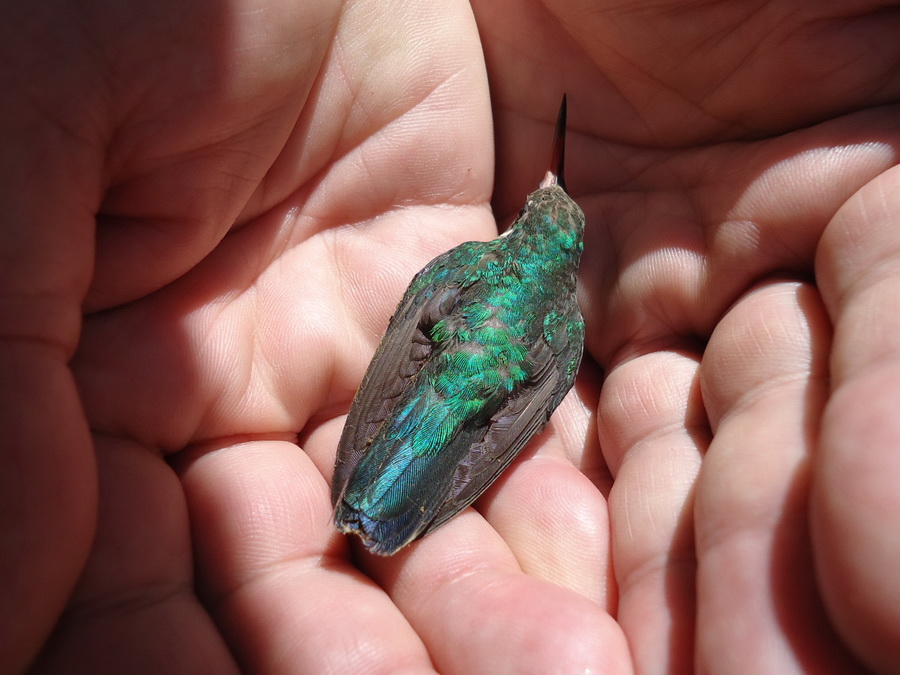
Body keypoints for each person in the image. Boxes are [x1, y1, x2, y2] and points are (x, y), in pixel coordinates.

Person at [2, 0, 898, 672]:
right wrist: (464, 467)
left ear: (525, 228)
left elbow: (419, 324)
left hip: (437, 383)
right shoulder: (566, 325)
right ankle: (395, 499)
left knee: (442, 413)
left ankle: (376, 486)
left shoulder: (473, 258)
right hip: (477, 392)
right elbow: (524, 406)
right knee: (461, 425)